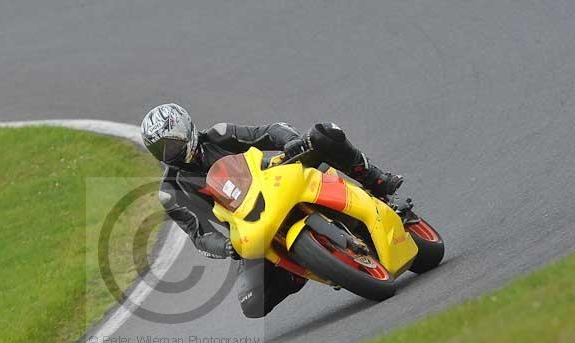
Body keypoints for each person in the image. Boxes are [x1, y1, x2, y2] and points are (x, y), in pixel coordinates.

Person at [140, 103, 403, 318]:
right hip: (246, 225)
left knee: (324, 133)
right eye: (159, 150)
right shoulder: (170, 191)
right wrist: (225, 247)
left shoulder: (218, 135)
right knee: (253, 303)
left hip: (275, 179)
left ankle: (376, 180)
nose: (167, 153)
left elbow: (268, 131)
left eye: (170, 144)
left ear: (186, 131)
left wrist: (291, 142)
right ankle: (298, 268)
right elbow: (199, 236)